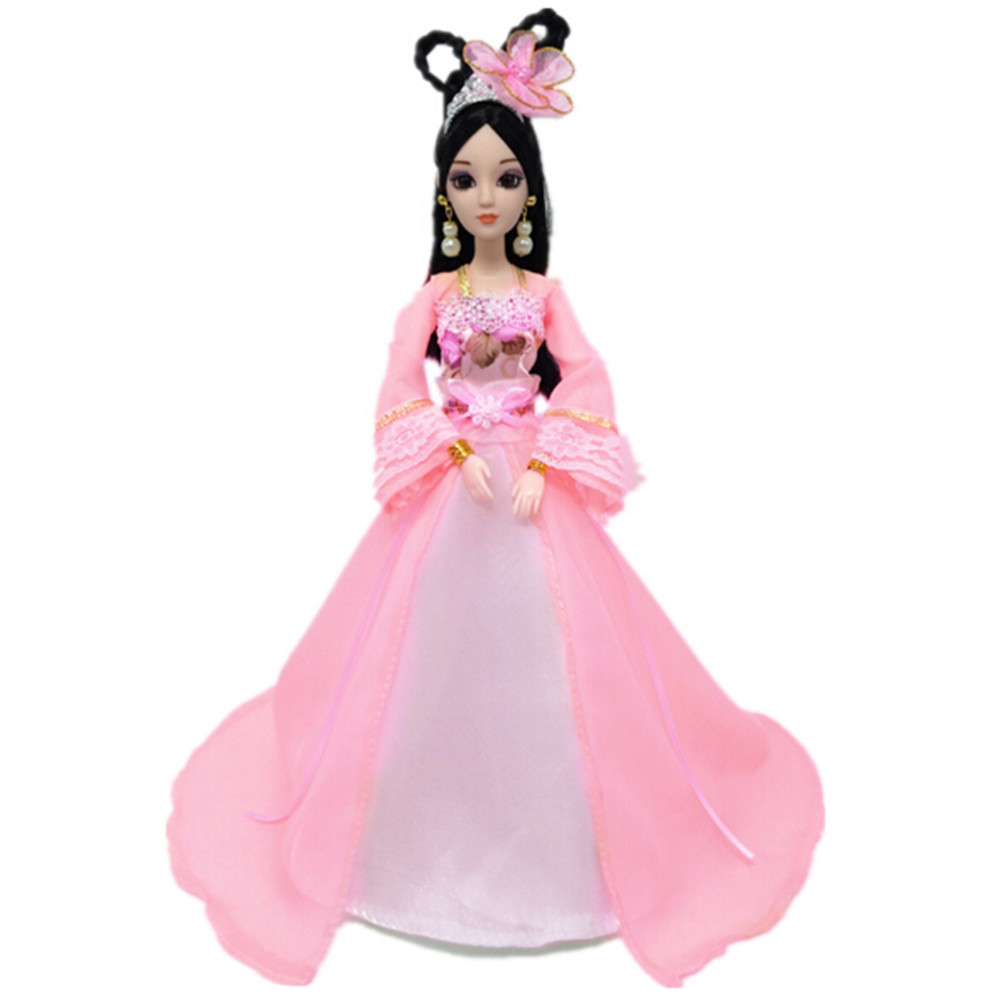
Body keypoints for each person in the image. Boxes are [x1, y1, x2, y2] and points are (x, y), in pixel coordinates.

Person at [168, 9, 824, 988]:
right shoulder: (431, 303)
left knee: (567, 656)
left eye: (506, 178)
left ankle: (572, 838)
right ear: (444, 190)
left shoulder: (545, 294)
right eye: (468, 179)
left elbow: (585, 376)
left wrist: (551, 460)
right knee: (413, 655)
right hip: (458, 485)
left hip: (529, 487)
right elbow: (399, 383)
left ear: (529, 189)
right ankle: (409, 825)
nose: (487, 196)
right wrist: (448, 447)